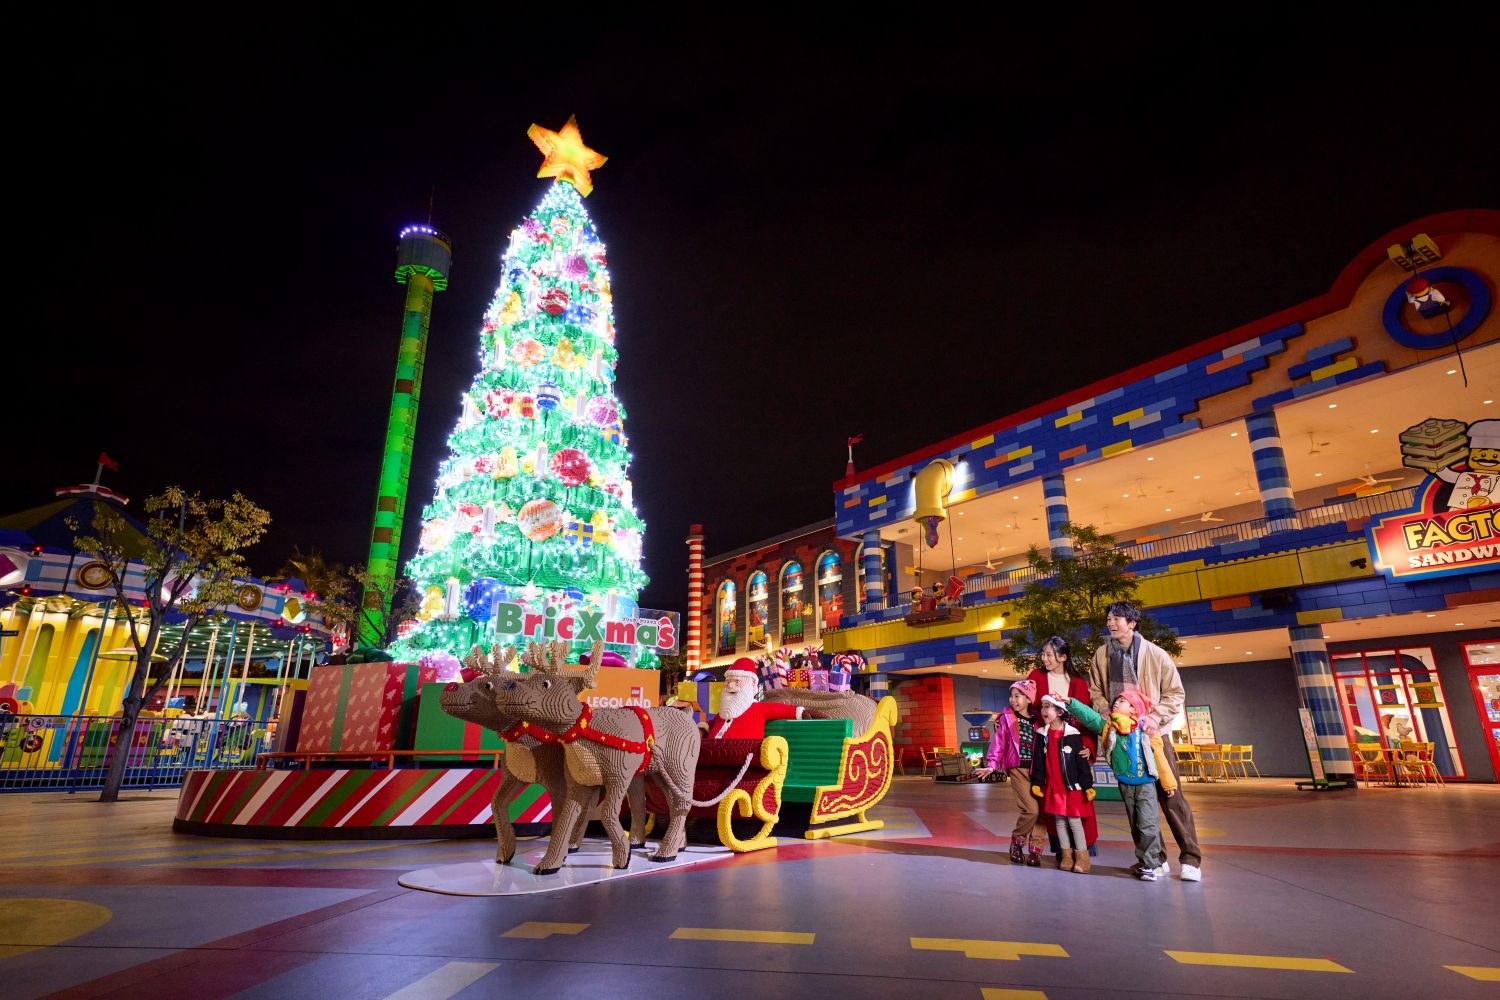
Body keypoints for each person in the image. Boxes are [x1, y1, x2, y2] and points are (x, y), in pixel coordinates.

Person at [1089, 601, 1202, 882]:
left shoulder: (1155, 654)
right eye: (1109, 619)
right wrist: (1105, 708)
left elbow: (1175, 693)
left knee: (1171, 796)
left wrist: (1155, 716)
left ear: (1132, 623)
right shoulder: (1102, 655)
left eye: (1117, 618)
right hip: (1123, 738)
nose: (1111, 623)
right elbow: (1095, 691)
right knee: (1134, 802)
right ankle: (1153, 859)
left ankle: (1191, 859)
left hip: (1154, 737)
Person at [1067, 689, 1178, 881]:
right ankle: (1146, 861)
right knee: (1136, 824)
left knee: (1148, 823)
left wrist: (1168, 782)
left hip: (1146, 784)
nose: (1115, 703)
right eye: (1116, 701)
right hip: (1125, 784)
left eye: (1121, 701)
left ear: (1134, 708)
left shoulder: (1147, 729)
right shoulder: (1110, 727)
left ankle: (1152, 865)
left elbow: (1159, 757)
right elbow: (1090, 717)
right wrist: (1070, 702)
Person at [972, 680, 1044, 866]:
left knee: (1043, 811)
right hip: (1018, 768)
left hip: (1040, 769)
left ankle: (1035, 850)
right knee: (1031, 809)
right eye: (1011, 696)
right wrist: (992, 764)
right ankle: (1017, 842)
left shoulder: (1039, 718)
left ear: (1029, 698)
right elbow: (999, 743)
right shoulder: (1006, 718)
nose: (1012, 700)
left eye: (1017, 696)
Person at [1029, 694, 1096, 874]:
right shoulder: (1042, 735)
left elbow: (1081, 762)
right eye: (1042, 707)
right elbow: (1038, 762)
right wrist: (1037, 782)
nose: (1044, 711)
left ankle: (1082, 858)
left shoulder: (1073, 735)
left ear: (1059, 711)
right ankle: (1066, 856)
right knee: (1059, 822)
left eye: (1048, 707)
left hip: (1071, 787)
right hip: (1053, 786)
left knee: (1074, 822)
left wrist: (1087, 785)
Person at [706, 659, 810, 740]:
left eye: (737, 681)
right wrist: (702, 729)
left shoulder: (758, 709)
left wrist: (803, 712)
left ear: (752, 685)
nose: (730, 685)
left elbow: (779, 709)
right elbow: (712, 724)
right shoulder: (722, 713)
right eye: (728, 682)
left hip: (744, 761)